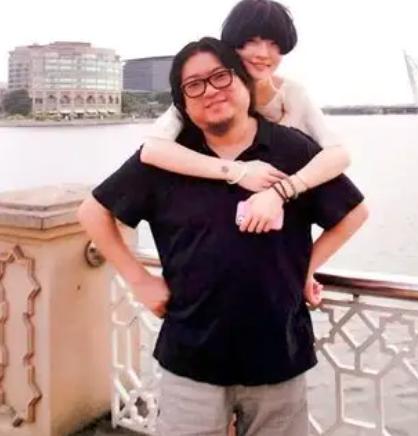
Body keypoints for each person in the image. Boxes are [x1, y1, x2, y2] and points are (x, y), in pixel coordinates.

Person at [78, 37, 368, 436]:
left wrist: (305, 267)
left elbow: (353, 214)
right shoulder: (169, 157)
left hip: (278, 355)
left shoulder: (290, 149)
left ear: (243, 81)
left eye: (220, 76)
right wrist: (139, 280)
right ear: (182, 102)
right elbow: (92, 212)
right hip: (190, 359)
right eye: (193, 85)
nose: (210, 91)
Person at [140, 0, 350, 235]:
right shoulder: (208, 95)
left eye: (274, 44)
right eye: (252, 41)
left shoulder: (292, 95)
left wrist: (283, 189)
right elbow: (152, 149)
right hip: (212, 224)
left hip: (274, 229)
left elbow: (339, 154)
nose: (263, 54)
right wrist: (237, 171)